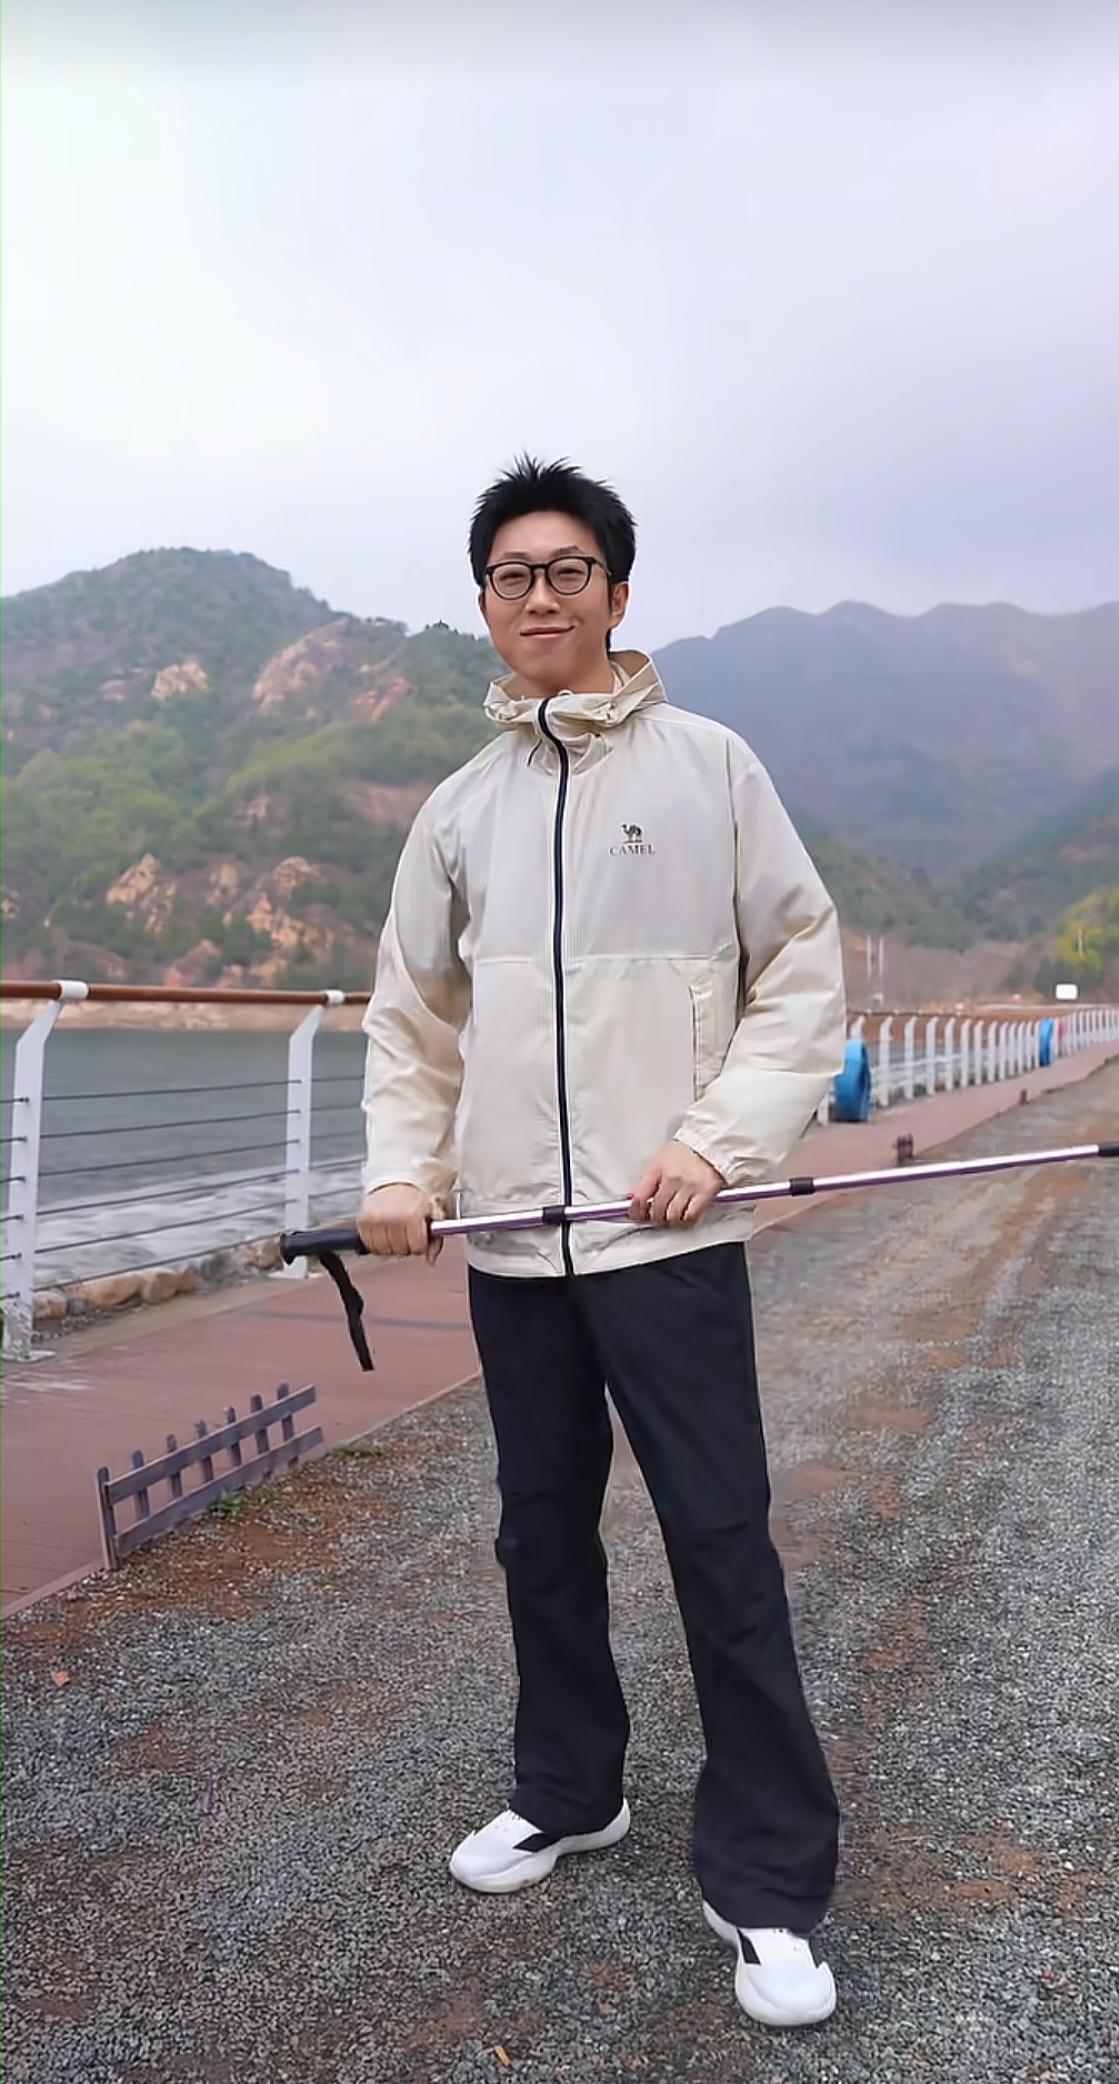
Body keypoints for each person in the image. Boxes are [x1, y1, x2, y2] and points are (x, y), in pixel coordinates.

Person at [358, 456, 847, 2029]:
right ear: (485, 605)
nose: (541, 595)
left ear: (619, 593)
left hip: (664, 1240)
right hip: (516, 1249)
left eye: (569, 569)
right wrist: (404, 1171)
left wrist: (717, 1142)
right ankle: (571, 1790)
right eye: (513, 574)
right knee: (540, 1539)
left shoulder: (711, 770)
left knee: (721, 1543)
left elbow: (802, 966)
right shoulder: (458, 810)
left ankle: (767, 1880)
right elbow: (411, 1020)